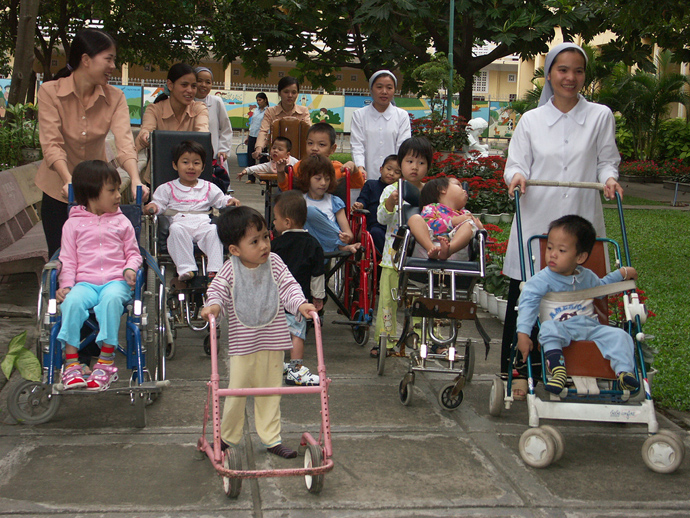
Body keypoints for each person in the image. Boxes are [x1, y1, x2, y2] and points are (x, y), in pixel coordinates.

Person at [500, 42, 624, 387]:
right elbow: (516, 165)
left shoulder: (600, 115)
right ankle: (520, 374)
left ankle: (583, 371)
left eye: (578, 70)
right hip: (538, 219)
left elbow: (606, 161)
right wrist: (517, 178)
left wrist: (609, 179)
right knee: (528, 294)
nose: (570, 77)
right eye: (563, 70)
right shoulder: (531, 120)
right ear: (550, 74)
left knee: (582, 297)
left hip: (581, 217)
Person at [200, 206, 316, 459]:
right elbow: (217, 289)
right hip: (242, 343)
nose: (264, 245)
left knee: (271, 391)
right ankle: (227, 437)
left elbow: (289, 286)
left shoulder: (274, 263)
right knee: (236, 393)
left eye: (265, 236)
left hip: (273, 340)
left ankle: (272, 438)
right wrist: (214, 306)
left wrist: (300, 303)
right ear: (235, 250)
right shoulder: (231, 269)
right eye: (255, 241)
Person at [36, 28, 148, 258]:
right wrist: (69, 180)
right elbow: (51, 144)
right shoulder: (50, 91)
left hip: (98, 195)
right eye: (108, 59)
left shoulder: (115, 97)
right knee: (62, 260)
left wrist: (136, 179)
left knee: (98, 259)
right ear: (86, 60)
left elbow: (125, 143)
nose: (113, 66)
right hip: (58, 192)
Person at [516, 215, 640, 394]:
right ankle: (558, 370)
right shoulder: (540, 280)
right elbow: (528, 306)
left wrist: (621, 273)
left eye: (562, 250)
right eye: (550, 247)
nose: (552, 254)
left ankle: (624, 374)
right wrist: (523, 334)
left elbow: (601, 288)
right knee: (548, 329)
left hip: (590, 327)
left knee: (621, 336)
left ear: (580, 257)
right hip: (561, 328)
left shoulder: (586, 276)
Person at [56, 160, 142, 391]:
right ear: (92, 194)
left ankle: (105, 362)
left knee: (111, 300)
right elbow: (68, 259)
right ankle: (72, 363)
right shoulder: (72, 225)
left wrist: (130, 269)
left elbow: (134, 253)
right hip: (85, 282)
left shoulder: (122, 221)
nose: (117, 196)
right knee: (71, 302)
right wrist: (66, 285)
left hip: (116, 281)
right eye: (112, 190)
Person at [144, 140, 240, 281]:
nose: (191, 167)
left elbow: (220, 199)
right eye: (185, 162)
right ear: (175, 165)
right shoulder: (167, 188)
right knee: (175, 229)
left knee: (214, 230)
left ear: (203, 167)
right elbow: (159, 203)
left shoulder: (208, 186)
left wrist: (229, 201)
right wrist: (153, 207)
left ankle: (215, 270)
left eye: (196, 163)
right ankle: (187, 269)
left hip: (202, 224)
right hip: (180, 222)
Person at [373, 137, 430, 357]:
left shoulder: (430, 192)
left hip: (420, 258)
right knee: (388, 300)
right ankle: (385, 340)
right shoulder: (391, 190)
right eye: (410, 161)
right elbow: (381, 219)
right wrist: (390, 204)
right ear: (401, 164)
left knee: (421, 299)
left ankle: (419, 336)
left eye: (421, 163)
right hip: (393, 257)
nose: (415, 167)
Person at [271, 190, 325, 386]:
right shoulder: (313, 244)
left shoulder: (275, 245)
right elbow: (317, 274)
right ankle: (295, 369)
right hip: (300, 301)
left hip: (276, 302)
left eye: (275, 219)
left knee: (276, 335)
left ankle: (275, 366)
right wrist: (318, 297)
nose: (273, 223)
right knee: (297, 334)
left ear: (286, 222)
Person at [135, 63, 210, 183]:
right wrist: (145, 137)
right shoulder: (154, 110)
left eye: (193, 86)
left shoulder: (199, 108)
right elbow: (146, 130)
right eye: (184, 85)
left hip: (190, 181)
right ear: (170, 85)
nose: (190, 90)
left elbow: (203, 133)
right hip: (158, 178)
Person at [350, 70, 411, 181]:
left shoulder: (402, 116)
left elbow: (403, 147)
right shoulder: (359, 115)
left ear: (394, 90)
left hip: (393, 177)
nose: (384, 92)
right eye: (379, 87)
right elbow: (357, 145)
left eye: (389, 87)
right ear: (371, 89)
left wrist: (397, 171)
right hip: (367, 176)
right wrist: (360, 167)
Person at [294, 154, 360, 255]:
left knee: (309, 211)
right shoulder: (300, 200)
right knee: (307, 212)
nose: (323, 183)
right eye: (318, 178)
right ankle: (341, 245)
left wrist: (347, 237)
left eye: (327, 179)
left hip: (330, 246)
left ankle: (340, 244)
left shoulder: (334, 201)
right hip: (308, 247)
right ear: (307, 178)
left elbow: (349, 233)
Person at [407, 177, 484, 261]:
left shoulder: (465, 213)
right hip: (426, 249)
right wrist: (453, 221)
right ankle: (431, 248)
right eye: (458, 185)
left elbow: (482, 244)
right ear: (442, 189)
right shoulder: (432, 208)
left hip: (455, 251)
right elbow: (429, 225)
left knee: (469, 225)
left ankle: (448, 250)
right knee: (415, 219)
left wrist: (480, 229)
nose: (465, 190)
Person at [275, 122, 362, 192]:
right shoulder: (299, 166)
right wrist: (280, 172)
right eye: (310, 143)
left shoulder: (338, 168)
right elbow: (286, 187)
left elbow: (358, 184)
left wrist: (354, 169)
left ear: (332, 149)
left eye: (321, 145)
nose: (314, 148)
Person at [351, 155, 401, 254]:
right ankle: (388, 257)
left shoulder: (398, 190)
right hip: (375, 224)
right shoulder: (371, 184)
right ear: (381, 169)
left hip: (393, 227)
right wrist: (360, 204)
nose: (391, 174)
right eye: (389, 169)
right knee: (375, 232)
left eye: (397, 172)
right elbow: (363, 199)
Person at [252, 77, 311, 160]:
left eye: (294, 92)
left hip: (299, 157)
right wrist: (259, 148)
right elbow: (263, 131)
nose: (290, 95)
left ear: (298, 93)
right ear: (279, 93)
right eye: (286, 92)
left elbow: (309, 133)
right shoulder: (270, 111)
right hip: (276, 158)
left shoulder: (303, 111)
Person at [194, 66, 233, 184]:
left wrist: (223, 150)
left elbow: (226, 129)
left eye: (208, 82)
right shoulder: (186, 102)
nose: (203, 85)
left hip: (215, 157)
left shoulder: (216, 102)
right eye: (199, 80)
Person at [245, 92, 269, 182]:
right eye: (257, 100)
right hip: (253, 135)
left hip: (262, 136)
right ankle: (251, 178)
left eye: (260, 100)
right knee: (250, 157)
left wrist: (267, 139)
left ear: (265, 100)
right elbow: (252, 124)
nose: (258, 102)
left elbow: (268, 125)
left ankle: (263, 178)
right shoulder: (256, 111)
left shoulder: (268, 111)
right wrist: (248, 136)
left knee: (263, 158)